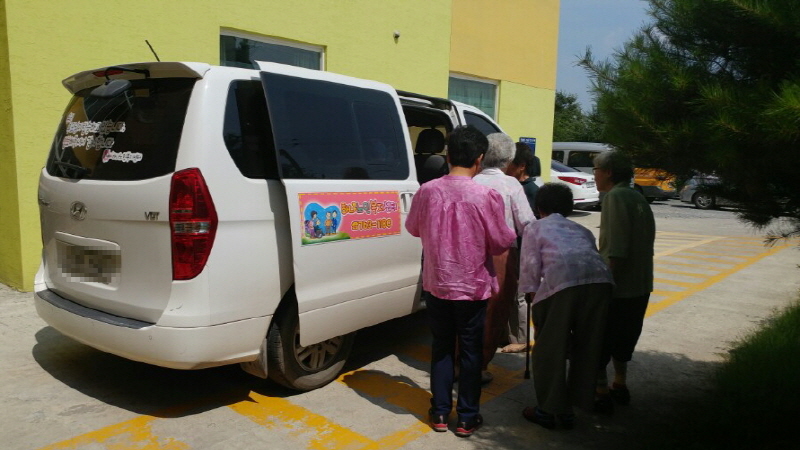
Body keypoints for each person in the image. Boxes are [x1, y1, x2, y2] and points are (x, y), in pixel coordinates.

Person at [405, 125, 516, 438]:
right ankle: (467, 417)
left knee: (441, 347)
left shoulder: (427, 191)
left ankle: (440, 412)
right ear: (479, 158)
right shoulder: (486, 195)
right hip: (473, 287)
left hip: (437, 284)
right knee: (470, 352)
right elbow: (501, 241)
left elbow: (413, 228)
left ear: (448, 155)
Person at [518, 183, 613, 429]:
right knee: (587, 347)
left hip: (563, 282)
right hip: (601, 283)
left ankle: (549, 410)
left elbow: (530, 266)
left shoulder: (535, 227)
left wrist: (530, 294)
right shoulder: (582, 230)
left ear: (538, 207)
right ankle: (577, 404)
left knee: (549, 348)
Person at [592, 150, 656, 413]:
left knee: (600, 340)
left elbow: (616, 251)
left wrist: (605, 285)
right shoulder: (636, 196)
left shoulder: (615, 197)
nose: (594, 175)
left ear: (608, 172)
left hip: (619, 287)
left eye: (595, 169)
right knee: (625, 339)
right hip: (640, 284)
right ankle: (620, 383)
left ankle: (601, 392)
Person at [473, 133, 535, 375]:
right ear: (509, 159)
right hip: (502, 255)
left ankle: (462, 361)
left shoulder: (471, 180)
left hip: (469, 253)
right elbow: (527, 225)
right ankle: (480, 365)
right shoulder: (511, 185)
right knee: (495, 311)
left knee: (470, 311)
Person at [501, 142, 542, 354]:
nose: (504, 167)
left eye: (508, 163)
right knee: (506, 292)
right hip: (509, 249)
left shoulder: (531, 191)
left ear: (521, 166)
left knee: (518, 295)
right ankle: (507, 334)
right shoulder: (509, 185)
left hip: (523, 250)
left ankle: (520, 338)